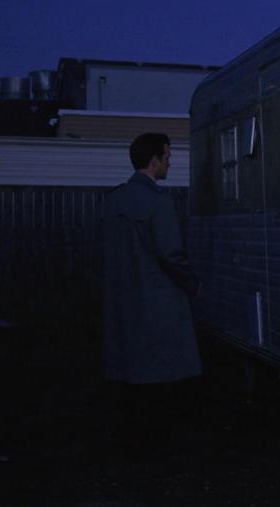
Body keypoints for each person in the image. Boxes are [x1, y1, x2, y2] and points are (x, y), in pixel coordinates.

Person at [101, 132, 201, 458]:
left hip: (122, 296)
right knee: (162, 374)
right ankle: (159, 444)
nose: (170, 162)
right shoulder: (159, 201)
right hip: (158, 298)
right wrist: (192, 285)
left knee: (131, 371)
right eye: (168, 157)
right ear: (154, 160)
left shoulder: (113, 201)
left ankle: (131, 439)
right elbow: (171, 254)